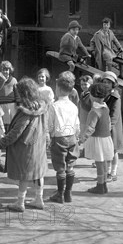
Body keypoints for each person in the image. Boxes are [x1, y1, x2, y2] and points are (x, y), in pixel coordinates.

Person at [0, 77, 49, 212]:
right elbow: (47, 126)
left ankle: (20, 202)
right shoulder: (43, 106)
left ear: (24, 94)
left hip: (26, 149)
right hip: (39, 146)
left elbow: (15, 133)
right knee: (38, 172)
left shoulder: (26, 113)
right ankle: (39, 199)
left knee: (25, 175)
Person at [48, 71, 80, 204]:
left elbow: (50, 124)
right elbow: (77, 124)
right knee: (70, 165)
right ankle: (68, 193)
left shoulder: (54, 106)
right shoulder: (73, 106)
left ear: (59, 88)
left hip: (59, 139)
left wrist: (49, 137)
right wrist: (77, 137)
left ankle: (60, 194)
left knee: (60, 167)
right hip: (72, 137)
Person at [78, 82, 114, 194]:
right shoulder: (105, 107)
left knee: (99, 164)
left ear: (92, 96)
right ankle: (103, 185)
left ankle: (99, 186)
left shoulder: (94, 111)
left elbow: (90, 128)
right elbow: (108, 123)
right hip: (106, 138)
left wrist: (82, 139)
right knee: (103, 163)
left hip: (97, 140)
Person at [101, 71, 123, 182]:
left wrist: (110, 126)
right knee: (106, 151)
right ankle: (107, 171)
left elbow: (115, 114)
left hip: (112, 128)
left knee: (113, 151)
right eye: (104, 82)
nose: (106, 84)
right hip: (105, 126)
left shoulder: (115, 97)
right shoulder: (104, 94)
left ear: (113, 84)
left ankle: (113, 172)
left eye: (109, 83)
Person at [0, 61, 18, 132]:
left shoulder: (14, 80)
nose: (5, 71)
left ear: (10, 70)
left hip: (11, 105)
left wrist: (18, 104)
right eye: (3, 69)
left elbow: (17, 93)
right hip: (0, 105)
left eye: (7, 70)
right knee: (2, 125)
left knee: (11, 124)